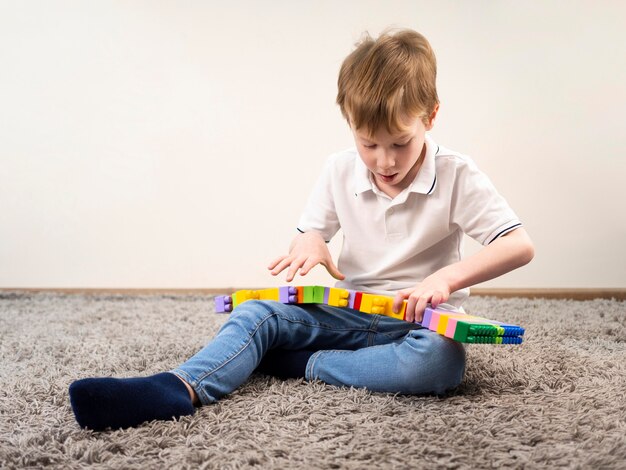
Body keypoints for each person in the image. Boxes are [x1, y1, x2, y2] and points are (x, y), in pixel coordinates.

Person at [69, 29, 534, 431]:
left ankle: (302, 365)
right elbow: (310, 232)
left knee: (440, 364)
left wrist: (444, 281)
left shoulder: (457, 173)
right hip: (350, 313)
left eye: (400, 143)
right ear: (349, 124)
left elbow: (518, 245)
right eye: (368, 143)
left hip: (416, 324)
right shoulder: (339, 170)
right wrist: (310, 241)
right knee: (256, 315)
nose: (384, 161)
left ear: (430, 117)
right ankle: (180, 386)